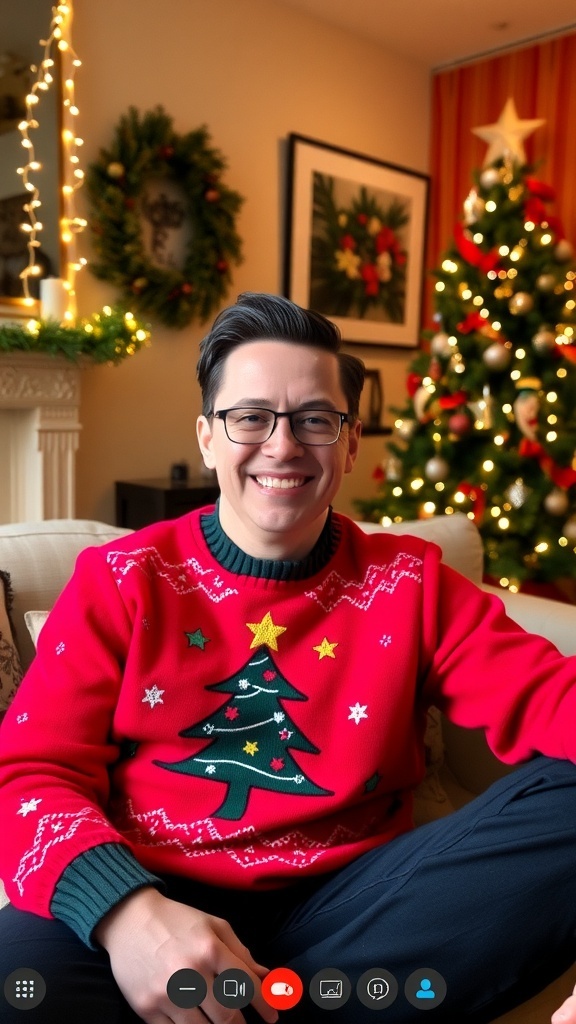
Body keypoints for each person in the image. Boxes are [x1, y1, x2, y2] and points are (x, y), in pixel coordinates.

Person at [1, 290, 576, 1024]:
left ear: (350, 441)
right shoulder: (122, 579)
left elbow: (549, 695)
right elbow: (28, 774)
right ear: (208, 437)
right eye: (251, 418)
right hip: (159, 901)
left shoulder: (413, 581)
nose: (283, 445)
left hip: (360, 916)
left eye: (314, 420)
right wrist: (128, 915)